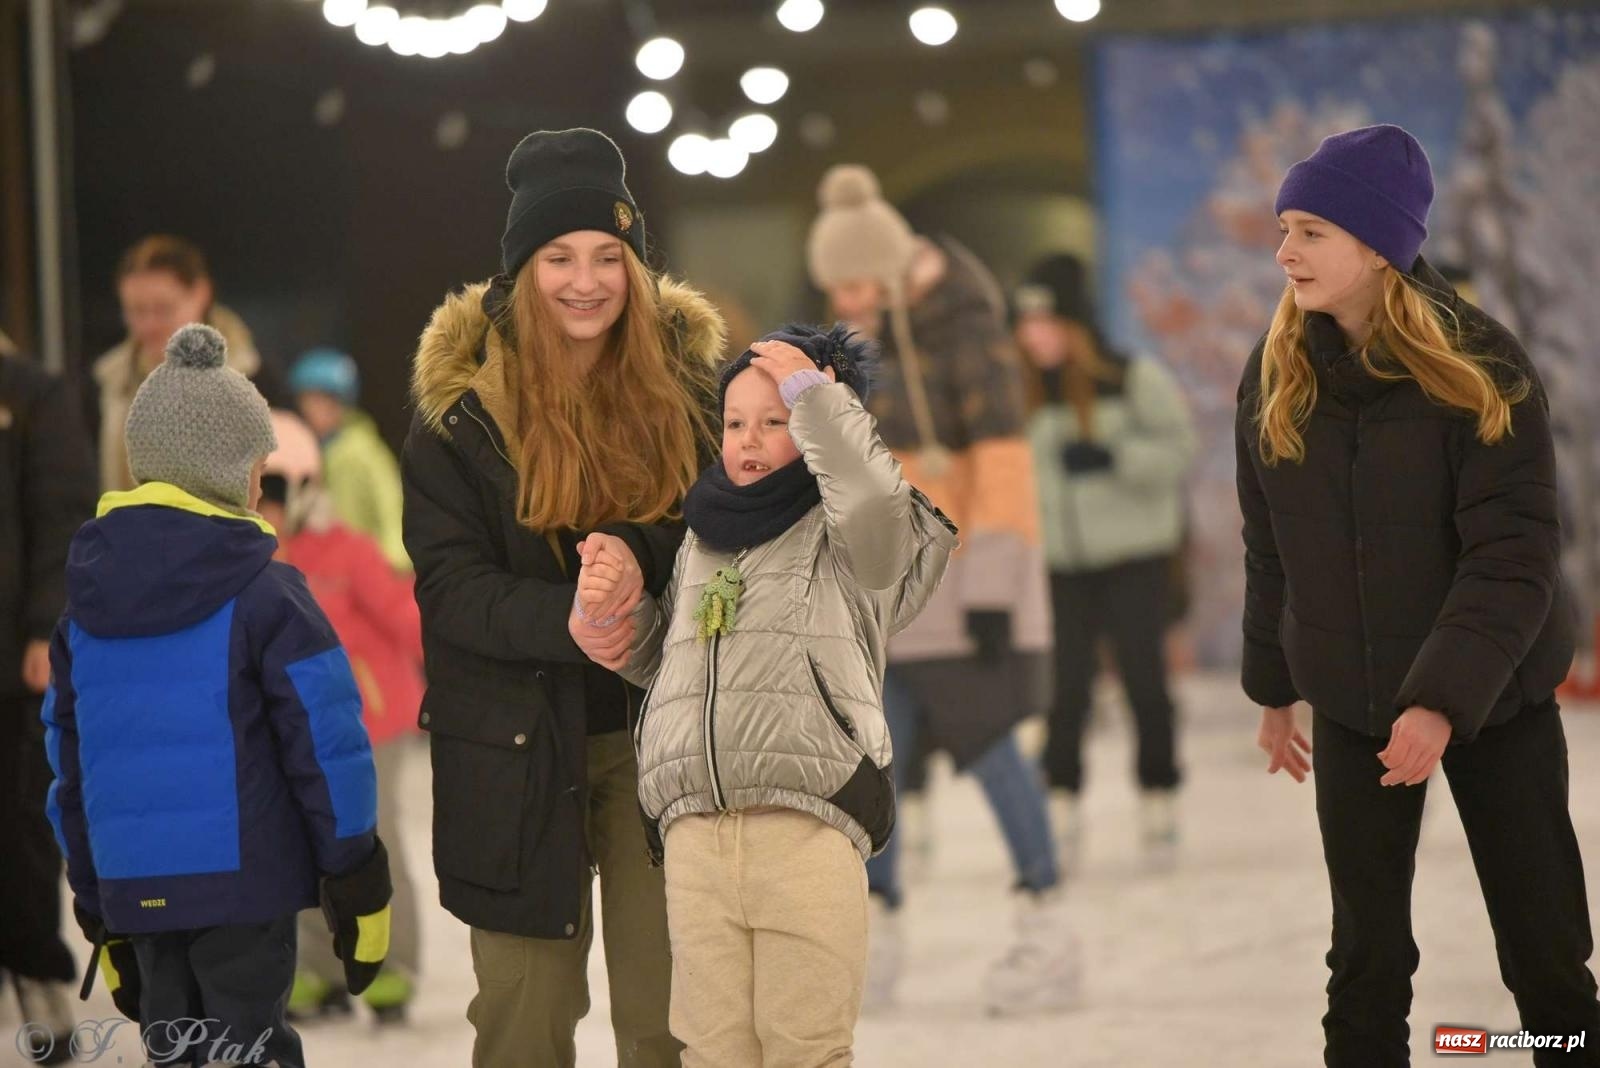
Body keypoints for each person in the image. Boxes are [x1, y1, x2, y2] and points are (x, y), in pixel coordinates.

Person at [1240, 124, 1600, 1067]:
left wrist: (1440, 700)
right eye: (1284, 229)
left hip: (1495, 697)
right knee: (1364, 964)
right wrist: (1274, 685)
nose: (1285, 253)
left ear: (1377, 245)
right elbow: (1271, 543)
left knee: (1547, 961)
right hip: (1353, 696)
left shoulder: (1483, 368)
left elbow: (1514, 557)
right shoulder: (1277, 369)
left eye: (1311, 231)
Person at [402, 127, 723, 1068]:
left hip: (658, 736)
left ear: (637, 266)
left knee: (668, 1020)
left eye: (607, 256)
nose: (587, 281)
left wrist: (635, 551)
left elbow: (723, 534)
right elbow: (451, 590)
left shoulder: (691, 392)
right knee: (524, 1020)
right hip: (513, 749)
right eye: (559, 258)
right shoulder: (458, 413)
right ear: (520, 271)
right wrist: (570, 620)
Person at [574, 323, 956, 1066]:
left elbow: (872, 502)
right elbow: (676, 666)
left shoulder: (850, 539)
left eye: (777, 421)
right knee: (711, 1051)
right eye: (735, 423)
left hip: (804, 831)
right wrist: (616, 621)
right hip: (698, 841)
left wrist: (820, 400)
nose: (749, 439)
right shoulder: (702, 537)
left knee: (804, 1049)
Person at [43, 324, 391, 1068]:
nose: (263, 486)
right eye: (259, 467)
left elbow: (71, 765)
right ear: (228, 470)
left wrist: (97, 901)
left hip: (136, 891)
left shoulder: (84, 607)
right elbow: (326, 742)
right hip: (244, 890)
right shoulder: (267, 593)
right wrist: (356, 869)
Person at [807, 163, 1071, 1014]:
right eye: (835, 287)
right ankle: (877, 932)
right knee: (872, 766)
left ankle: (1045, 924)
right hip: (880, 598)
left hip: (960, 585)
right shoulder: (851, 351)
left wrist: (992, 585)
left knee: (993, 750)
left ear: (891, 272)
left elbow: (1004, 467)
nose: (846, 301)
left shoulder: (968, 331)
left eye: (858, 284)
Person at [1012, 253, 1196, 870]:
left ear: (1074, 323)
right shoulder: (1023, 392)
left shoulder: (1130, 376)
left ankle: (1159, 793)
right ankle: (1061, 798)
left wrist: (1116, 457)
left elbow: (1179, 449)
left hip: (1133, 559)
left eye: (1045, 322)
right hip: (1060, 565)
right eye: (1026, 324)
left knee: (1145, 680)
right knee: (1065, 689)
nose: (1034, 336)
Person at [257, 411, 425, 1025]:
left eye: (277, 495)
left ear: (304, 490)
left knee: (373, 836)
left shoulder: (346, 552)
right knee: (300, 841)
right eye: (258, 493)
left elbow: (405, 617)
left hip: (370, 721)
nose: (267, 509)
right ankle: (320, 967)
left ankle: (392, 965)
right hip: (295, 727)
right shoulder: (253, 562)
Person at [0, 330, 97, 1062]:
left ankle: (40, 980)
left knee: (22, 827)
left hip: (13, 661)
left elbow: (63, 514)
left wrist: (42, 627)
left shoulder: (33, 393)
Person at [92, 234, 285, 493]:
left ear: (201, 294)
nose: (149, 325)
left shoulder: (256, 377)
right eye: (136, 311)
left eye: (163, 309)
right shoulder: (104, 384)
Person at [288, 349, 410, 572]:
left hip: (365, 566)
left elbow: (391, 504)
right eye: (307, 400)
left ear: (340, 404)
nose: (312, 409)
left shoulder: (362, 450)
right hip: (332, 567)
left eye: (322, 400)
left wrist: (393, 561)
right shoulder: (312, 450)